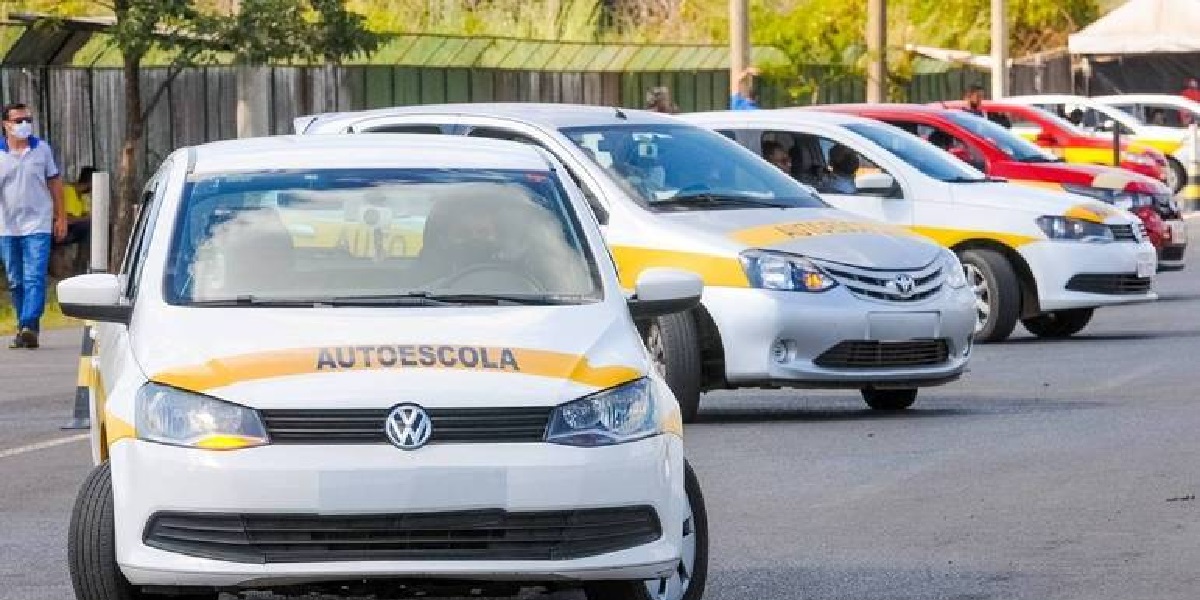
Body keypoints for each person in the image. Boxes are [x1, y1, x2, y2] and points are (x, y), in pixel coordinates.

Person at [0, 103, 66, 349]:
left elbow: (55, 183)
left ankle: (28, 324)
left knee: (35, 277)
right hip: (7, 228)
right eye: (18, 121)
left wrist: (61, 217)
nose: (23, 124)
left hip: (38, 224)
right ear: (5, 125)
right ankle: (26, 329)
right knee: (16, 279)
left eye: (27, 119)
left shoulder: (42, 150)